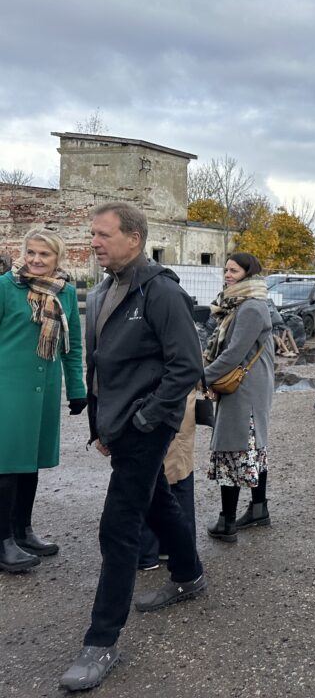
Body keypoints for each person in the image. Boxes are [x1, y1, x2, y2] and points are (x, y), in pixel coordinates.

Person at [61, 202, 205, 691]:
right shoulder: (103, 290)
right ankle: (188, 573)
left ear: (134, 239)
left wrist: (145, 418)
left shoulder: (162, 291)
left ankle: (101, 641)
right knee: (157, 500)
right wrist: (99, 425)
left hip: (147, 427)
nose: (94, 242)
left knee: (118, 524)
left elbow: (186, 366)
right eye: (93, 233)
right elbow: (99, 364)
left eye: (104, 234)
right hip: (118, 425)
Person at [0, 228, 86, 574]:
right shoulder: (5, 287)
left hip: (45, 388)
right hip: (8, 388)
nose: (36, 260)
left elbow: (73, 346)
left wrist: (77, 389)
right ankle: (3, 541)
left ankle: (23, 531)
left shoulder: (65, 293)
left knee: (30, 461)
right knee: (7, 463)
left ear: (57, 258)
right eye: (31, 252)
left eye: (44, 254)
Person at [203, 252, 275, 543]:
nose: (227, 275)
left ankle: (227, 522)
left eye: (233, 271)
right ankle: (259, 509)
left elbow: (233, 353)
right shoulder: (245, 303)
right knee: (253, 449)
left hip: (243, 387)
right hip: (250, 384)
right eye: (226, 270)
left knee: (232, 449)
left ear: (248, 273)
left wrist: (202, 376)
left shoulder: (251, 307)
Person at [137, 390, 198, 570]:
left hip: (154, 402)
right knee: (177, 471)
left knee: (151, 472)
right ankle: (174, 549)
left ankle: (150, 550)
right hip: (175, 402)